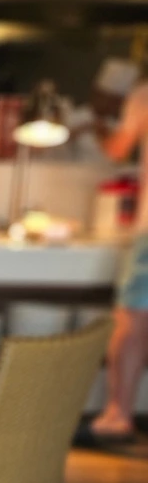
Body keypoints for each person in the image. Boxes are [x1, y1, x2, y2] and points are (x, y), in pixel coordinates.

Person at [90, 58, 148, 441]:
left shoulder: (144, 96)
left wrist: (97, 125)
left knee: (132, 318)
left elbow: (117, 149)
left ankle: (117, 414)